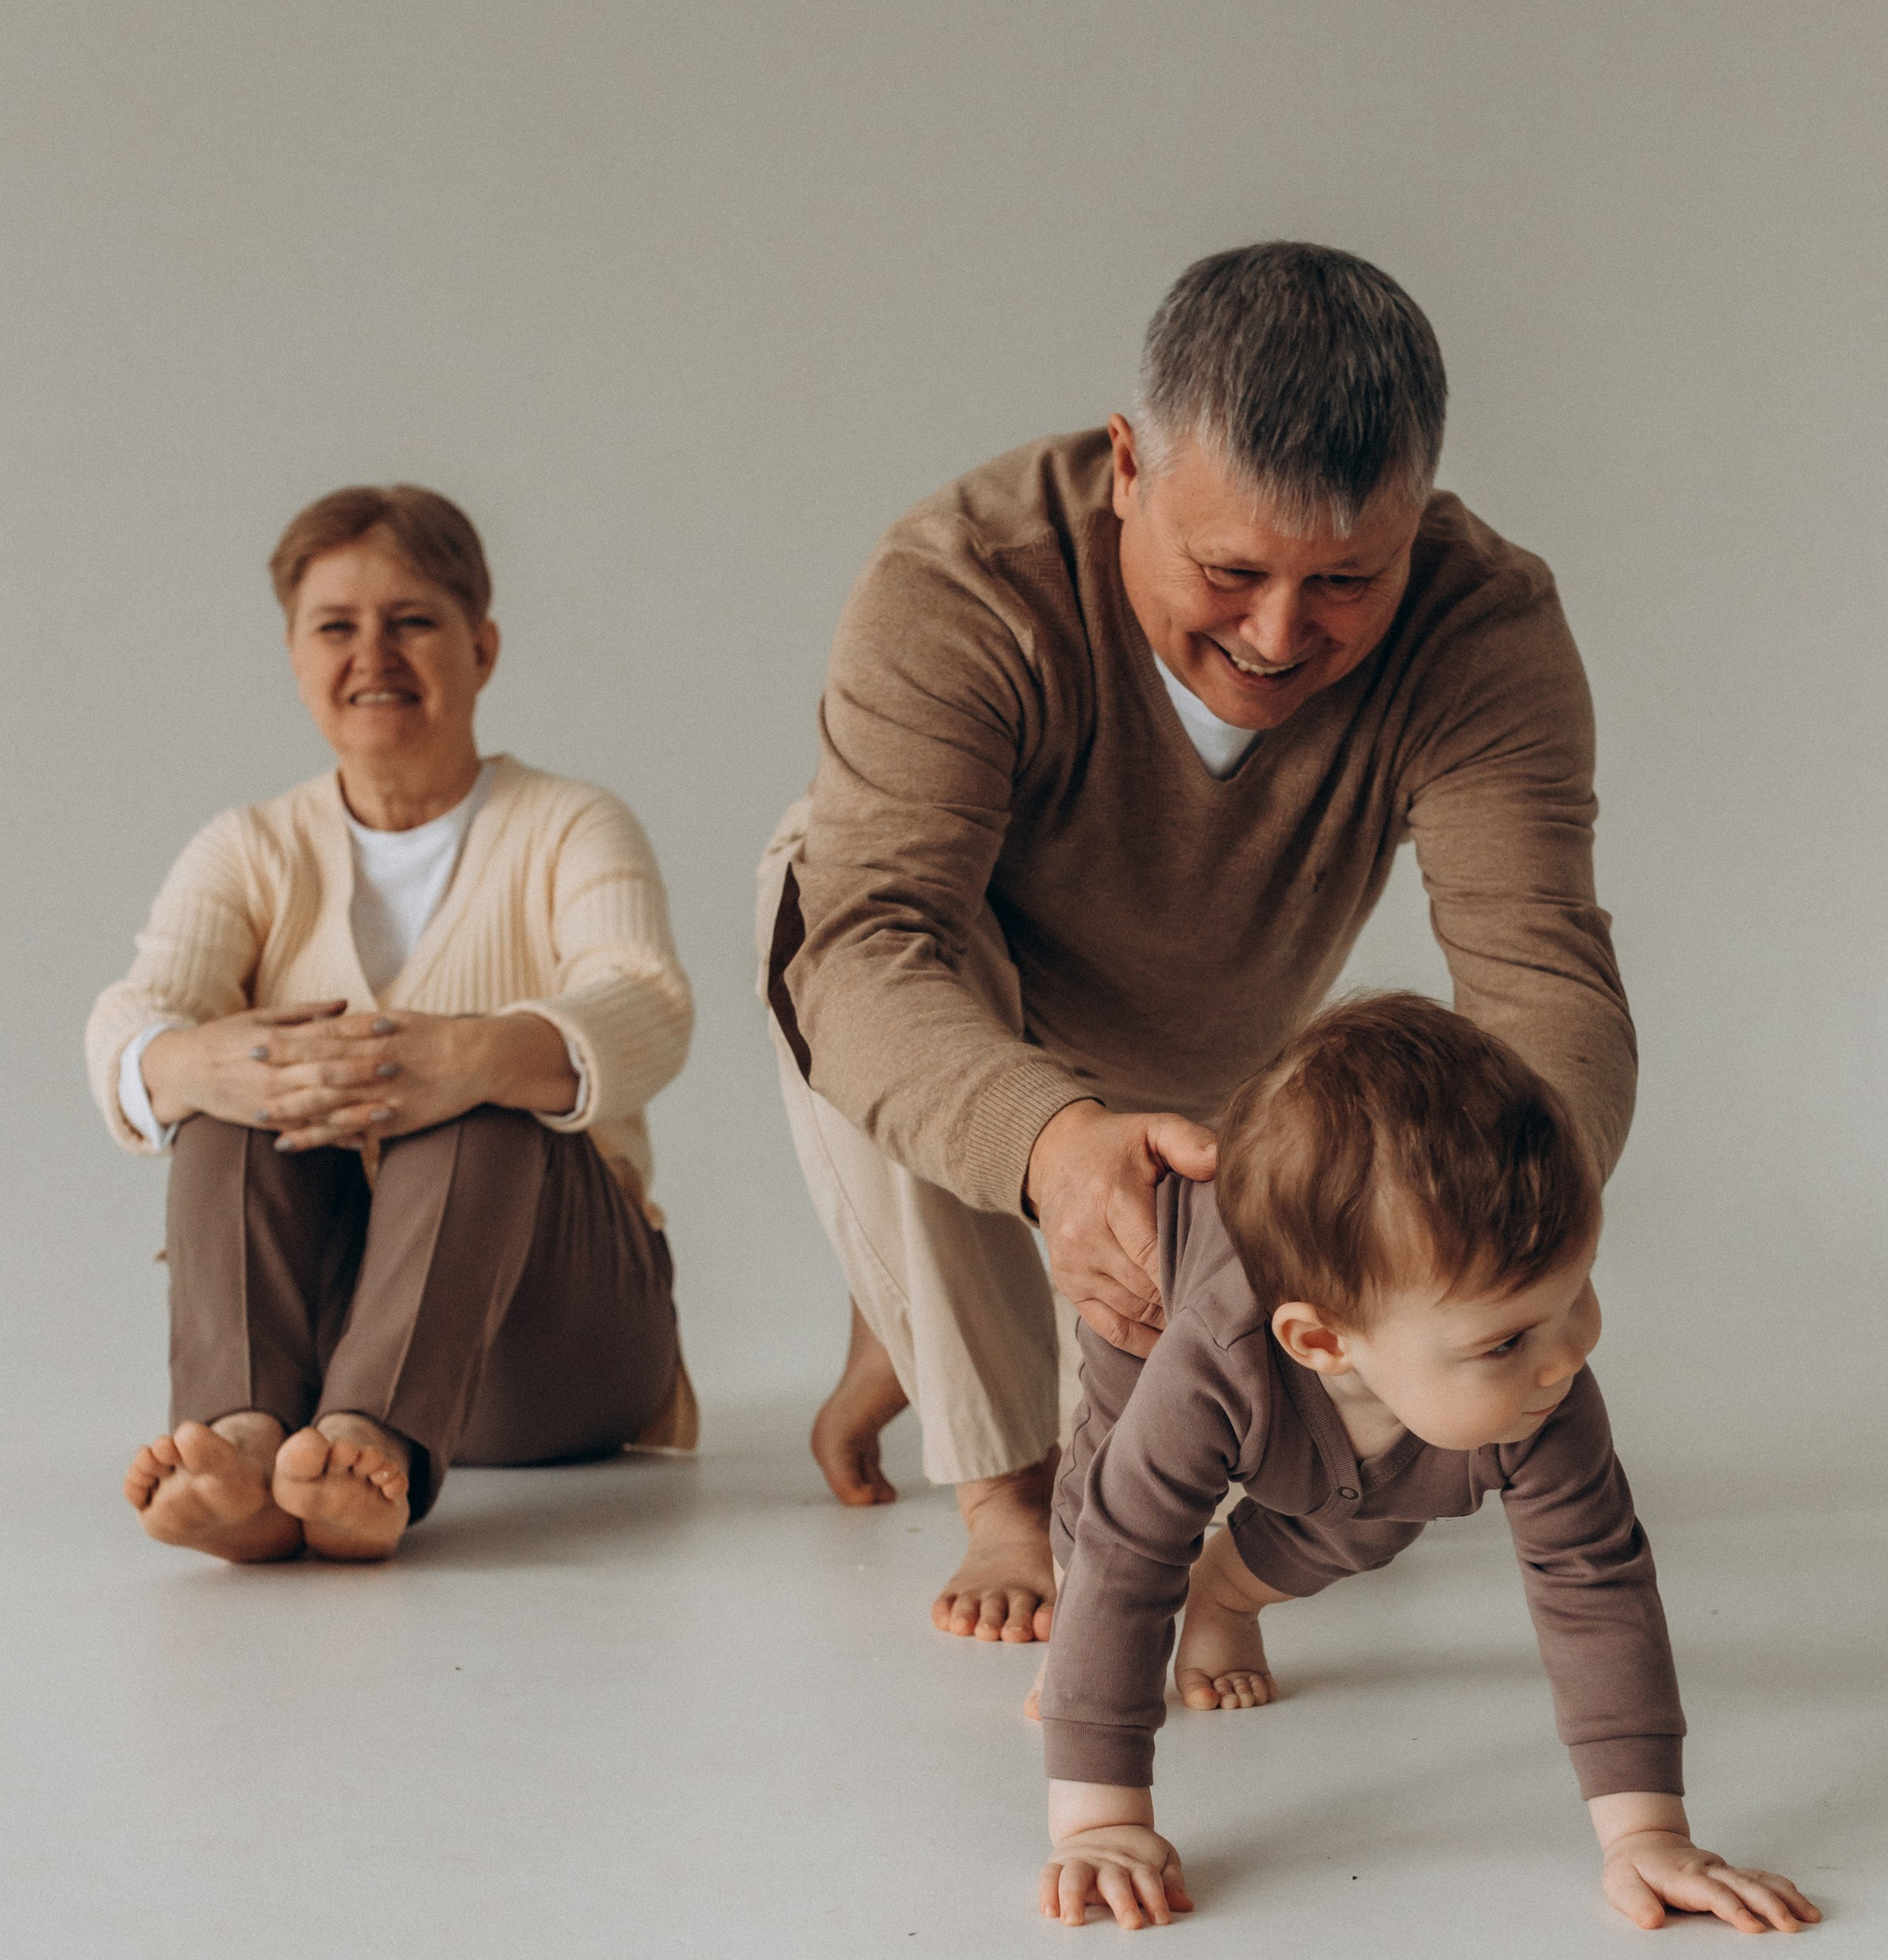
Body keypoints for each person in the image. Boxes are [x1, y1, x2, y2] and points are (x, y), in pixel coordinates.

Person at [760, 241, 1636, 1648]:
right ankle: (1004, 1480)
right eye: (1231, 569)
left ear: (1419, 518)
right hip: (984, 1015)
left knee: (1319, 1421)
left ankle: (910, 1311)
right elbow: (868, 947)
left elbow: (1541, 977)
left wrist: (1508, 1219)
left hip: (1235, 1067)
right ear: (1127, 466)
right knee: (803, 891)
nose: (1282, 635)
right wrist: (1048, 1151)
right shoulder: (964, 579)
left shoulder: (1489, 625)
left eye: (1350, 581)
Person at [1029, 994, 1821, 1939]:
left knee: (1365, 1519)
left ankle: (1226, 1598)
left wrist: (1647, 1831)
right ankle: (1078, 1652)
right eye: (1507, 1338)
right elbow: (1129, 1548)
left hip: (1385, 1424)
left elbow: (1592, 1580)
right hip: (1154, 1300)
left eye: (1575, 1295)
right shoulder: (1210, 1361)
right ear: (1323, 1340)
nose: (1565, 1355)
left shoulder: (1535, 1386)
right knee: (1108, 1515)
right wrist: (1103, 1819)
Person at [88, 485, 696, 1565]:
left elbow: (646, 1003)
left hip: (555, 1352)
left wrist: (470, 1053)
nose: (375, 652)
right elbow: (135, 1018)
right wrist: (203, 1061)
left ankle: (380, 1445)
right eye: (336, 626)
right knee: (224, 1100)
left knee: (490, 1095)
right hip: (311, 1367)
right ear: (295, 654)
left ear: (482, 644)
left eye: (412, 619)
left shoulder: (569, 823)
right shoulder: (250, 848)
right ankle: (247, 1442)